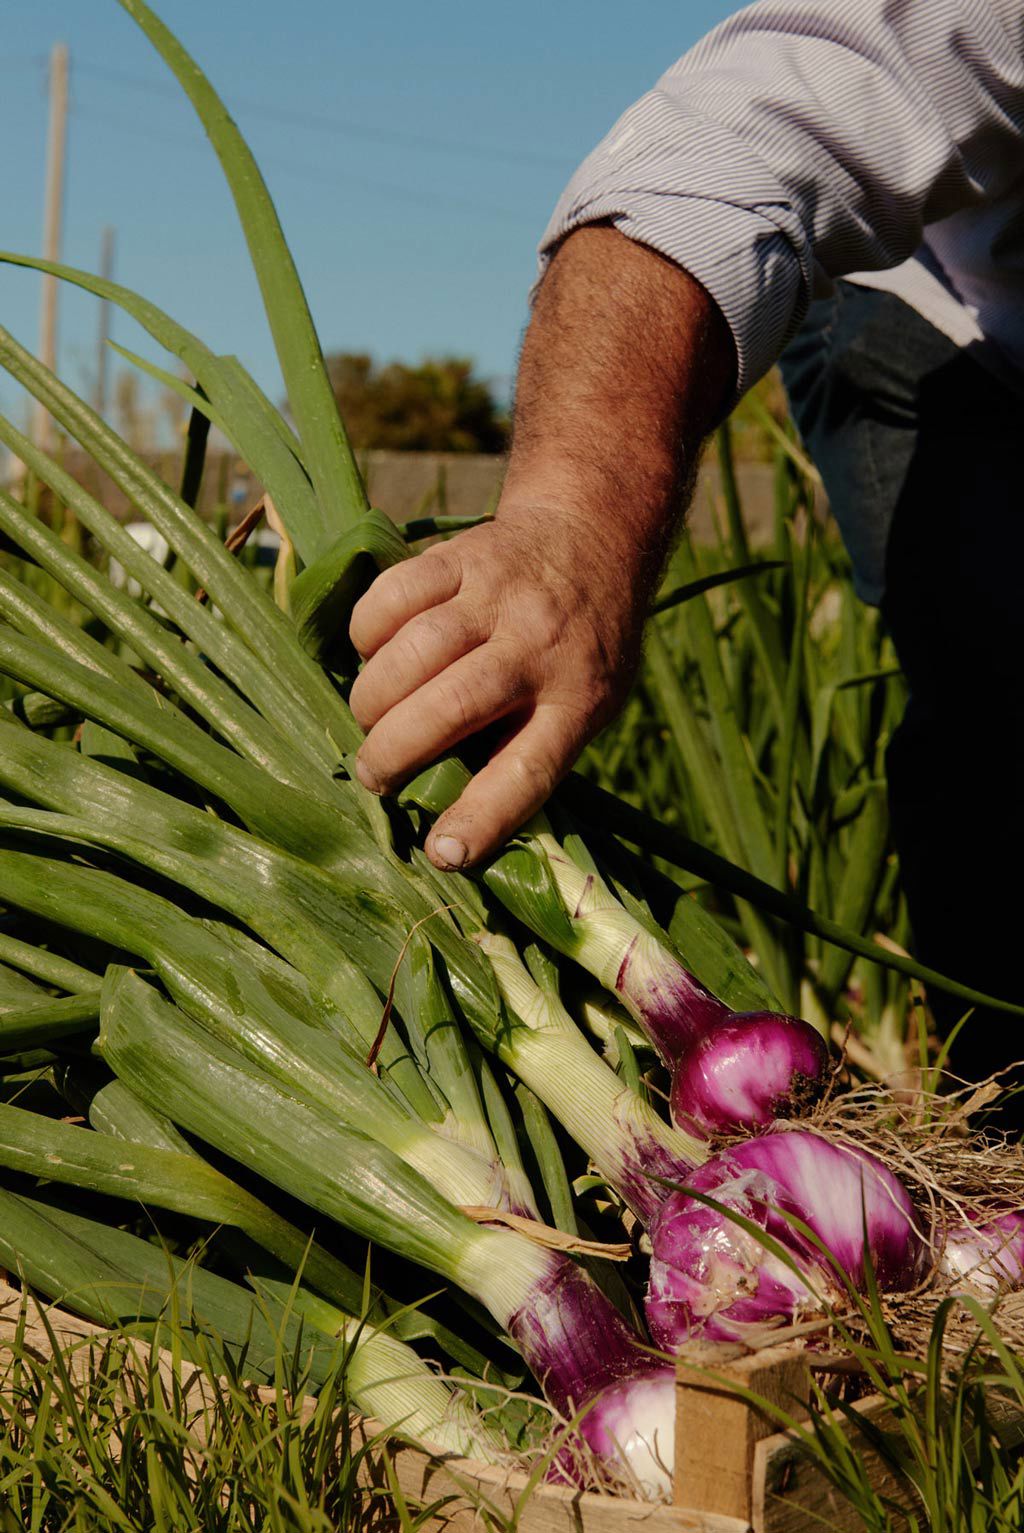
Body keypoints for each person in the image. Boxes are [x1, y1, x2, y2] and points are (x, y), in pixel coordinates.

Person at [348, 0, 1024, 1086]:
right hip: (940, 320)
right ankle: (1005, 1100)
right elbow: (737, 141)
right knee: (998, 675)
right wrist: (571, 516)